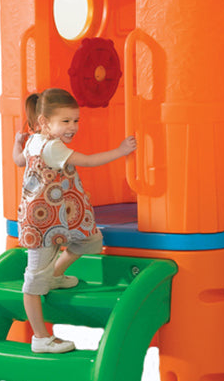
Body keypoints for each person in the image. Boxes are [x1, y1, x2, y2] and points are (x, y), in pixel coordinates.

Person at [13, 88, 136, 353]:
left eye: (76, 120)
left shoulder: (33, 140)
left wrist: (16, 143)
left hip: (58, 214)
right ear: (45, 122)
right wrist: (121, 150)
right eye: (65, 121)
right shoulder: (53, 147)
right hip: (42, 223)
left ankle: (56, 275)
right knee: (33, 282)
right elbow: (89, 161)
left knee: (89, 241)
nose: (73, 127)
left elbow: (18, 160)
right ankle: (40, 337)